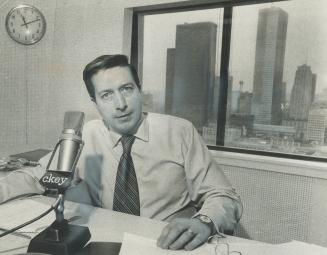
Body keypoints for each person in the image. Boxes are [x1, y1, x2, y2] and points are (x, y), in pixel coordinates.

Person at [0, 54, 242, 250]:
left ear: (139, 90)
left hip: (168, 245)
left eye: (126, 89)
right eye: (107, 95)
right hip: (108, 241)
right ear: (95, 103)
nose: (121, 104)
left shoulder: (179, 131)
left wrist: (204, 222)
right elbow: (36, 175)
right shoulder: (87, 134)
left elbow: (224, 196)